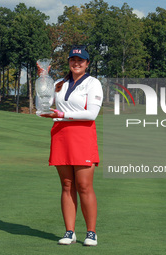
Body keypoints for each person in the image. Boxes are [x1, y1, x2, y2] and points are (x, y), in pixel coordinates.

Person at [39, 45, 103, 246]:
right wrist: (43, 81)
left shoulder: (93, 83)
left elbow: (92, 114)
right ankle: (69, 232)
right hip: (61, 136)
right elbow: (43, 105)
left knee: (84, 186)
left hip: (83, 137)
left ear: (87, 63)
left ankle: (91, 233)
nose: (76, 63)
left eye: (81, 60)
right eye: (73, 60)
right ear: (69, 62)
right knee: (67, 185)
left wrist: (62, 114)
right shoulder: (58, 82)